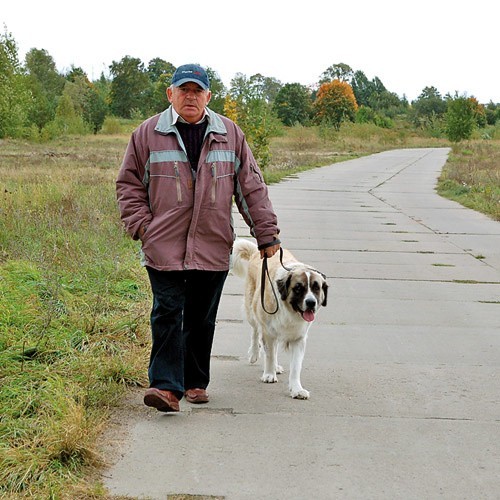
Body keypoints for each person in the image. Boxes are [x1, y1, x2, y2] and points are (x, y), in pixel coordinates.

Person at [116, 64, 281, 412]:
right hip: (163, 244)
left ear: (208, 96)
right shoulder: (147, 134)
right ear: (170, 94)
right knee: (167, 312)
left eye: (197, 91)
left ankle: (194, 381)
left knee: (201, 317)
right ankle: (166, 387)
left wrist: (266, 235)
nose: (190, 97)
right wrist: (143, 227)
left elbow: (250, 187)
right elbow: (129, 184)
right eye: (183, 90)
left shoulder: (230, 134)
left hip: (212, 242)